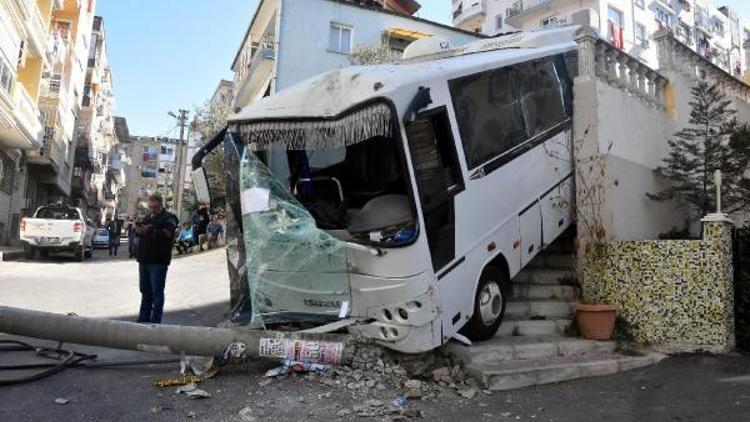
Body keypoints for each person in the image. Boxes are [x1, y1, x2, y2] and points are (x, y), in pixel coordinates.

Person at [135, 194, 178, 324]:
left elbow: (168, 233)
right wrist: (138, 230)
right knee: (145, 291)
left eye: (155, 207)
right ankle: (144, 318)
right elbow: (140, 232)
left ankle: (155, 321)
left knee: (157, 292)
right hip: (144, 259)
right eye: (150, 207)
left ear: (160, 205)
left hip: (158, 261)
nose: (152, 209)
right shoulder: (147, 217)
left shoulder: (169, 218)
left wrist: (151, 230)